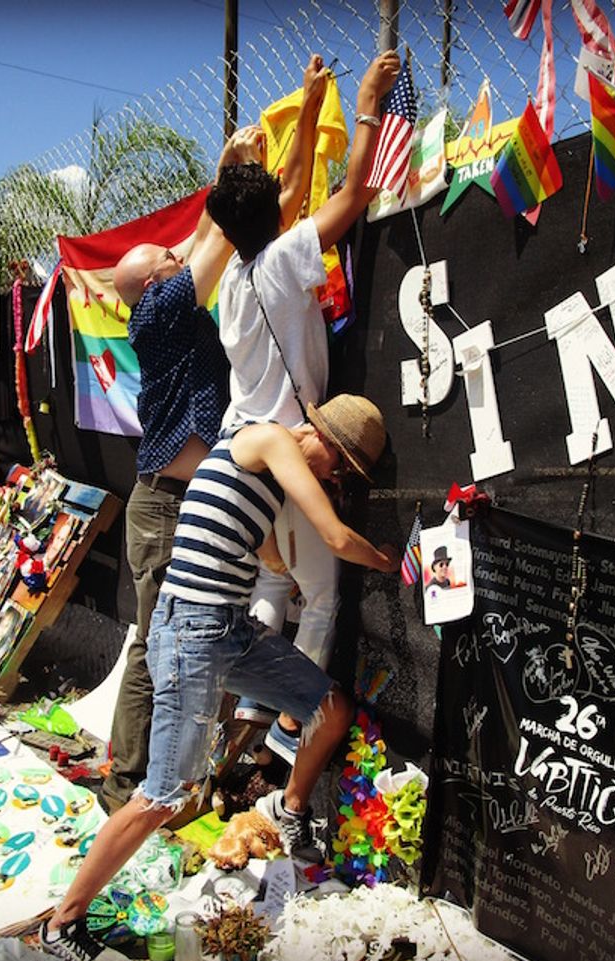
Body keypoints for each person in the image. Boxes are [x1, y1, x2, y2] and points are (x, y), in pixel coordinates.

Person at [40, 395, 400, 961]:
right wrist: (387, 561)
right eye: (340, 468)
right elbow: (332, 535)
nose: (334, 479)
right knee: (162, 797)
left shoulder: (260, 471)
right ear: (324, 440)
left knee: (331, 711)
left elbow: (259, 543)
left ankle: (290, 808)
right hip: (192, 630)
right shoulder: (272, 439)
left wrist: (284, 573)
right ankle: (63, 923)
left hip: (227, 627)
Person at [207, 49, 401, 764]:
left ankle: (249, 703)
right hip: (295, 450)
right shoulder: (288, 258)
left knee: (272, 578)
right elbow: (349, 196)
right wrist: (367, 102)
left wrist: (313, 100)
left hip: (241, 453)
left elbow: (285, 193)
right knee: (319, 595)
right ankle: (290, 723)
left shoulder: (231, 277)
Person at [98, 122, 266, 813]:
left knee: (175, 646)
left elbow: (202, 238)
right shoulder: (160, 313)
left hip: (180, 504)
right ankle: (129, 786)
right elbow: (217, 239)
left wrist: (227, 167)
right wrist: (233, 172)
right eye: (170, 257)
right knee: (157, 647)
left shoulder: (170, 304)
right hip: (166, 504)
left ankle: (161, 781)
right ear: (153, 282)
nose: (181, 254)